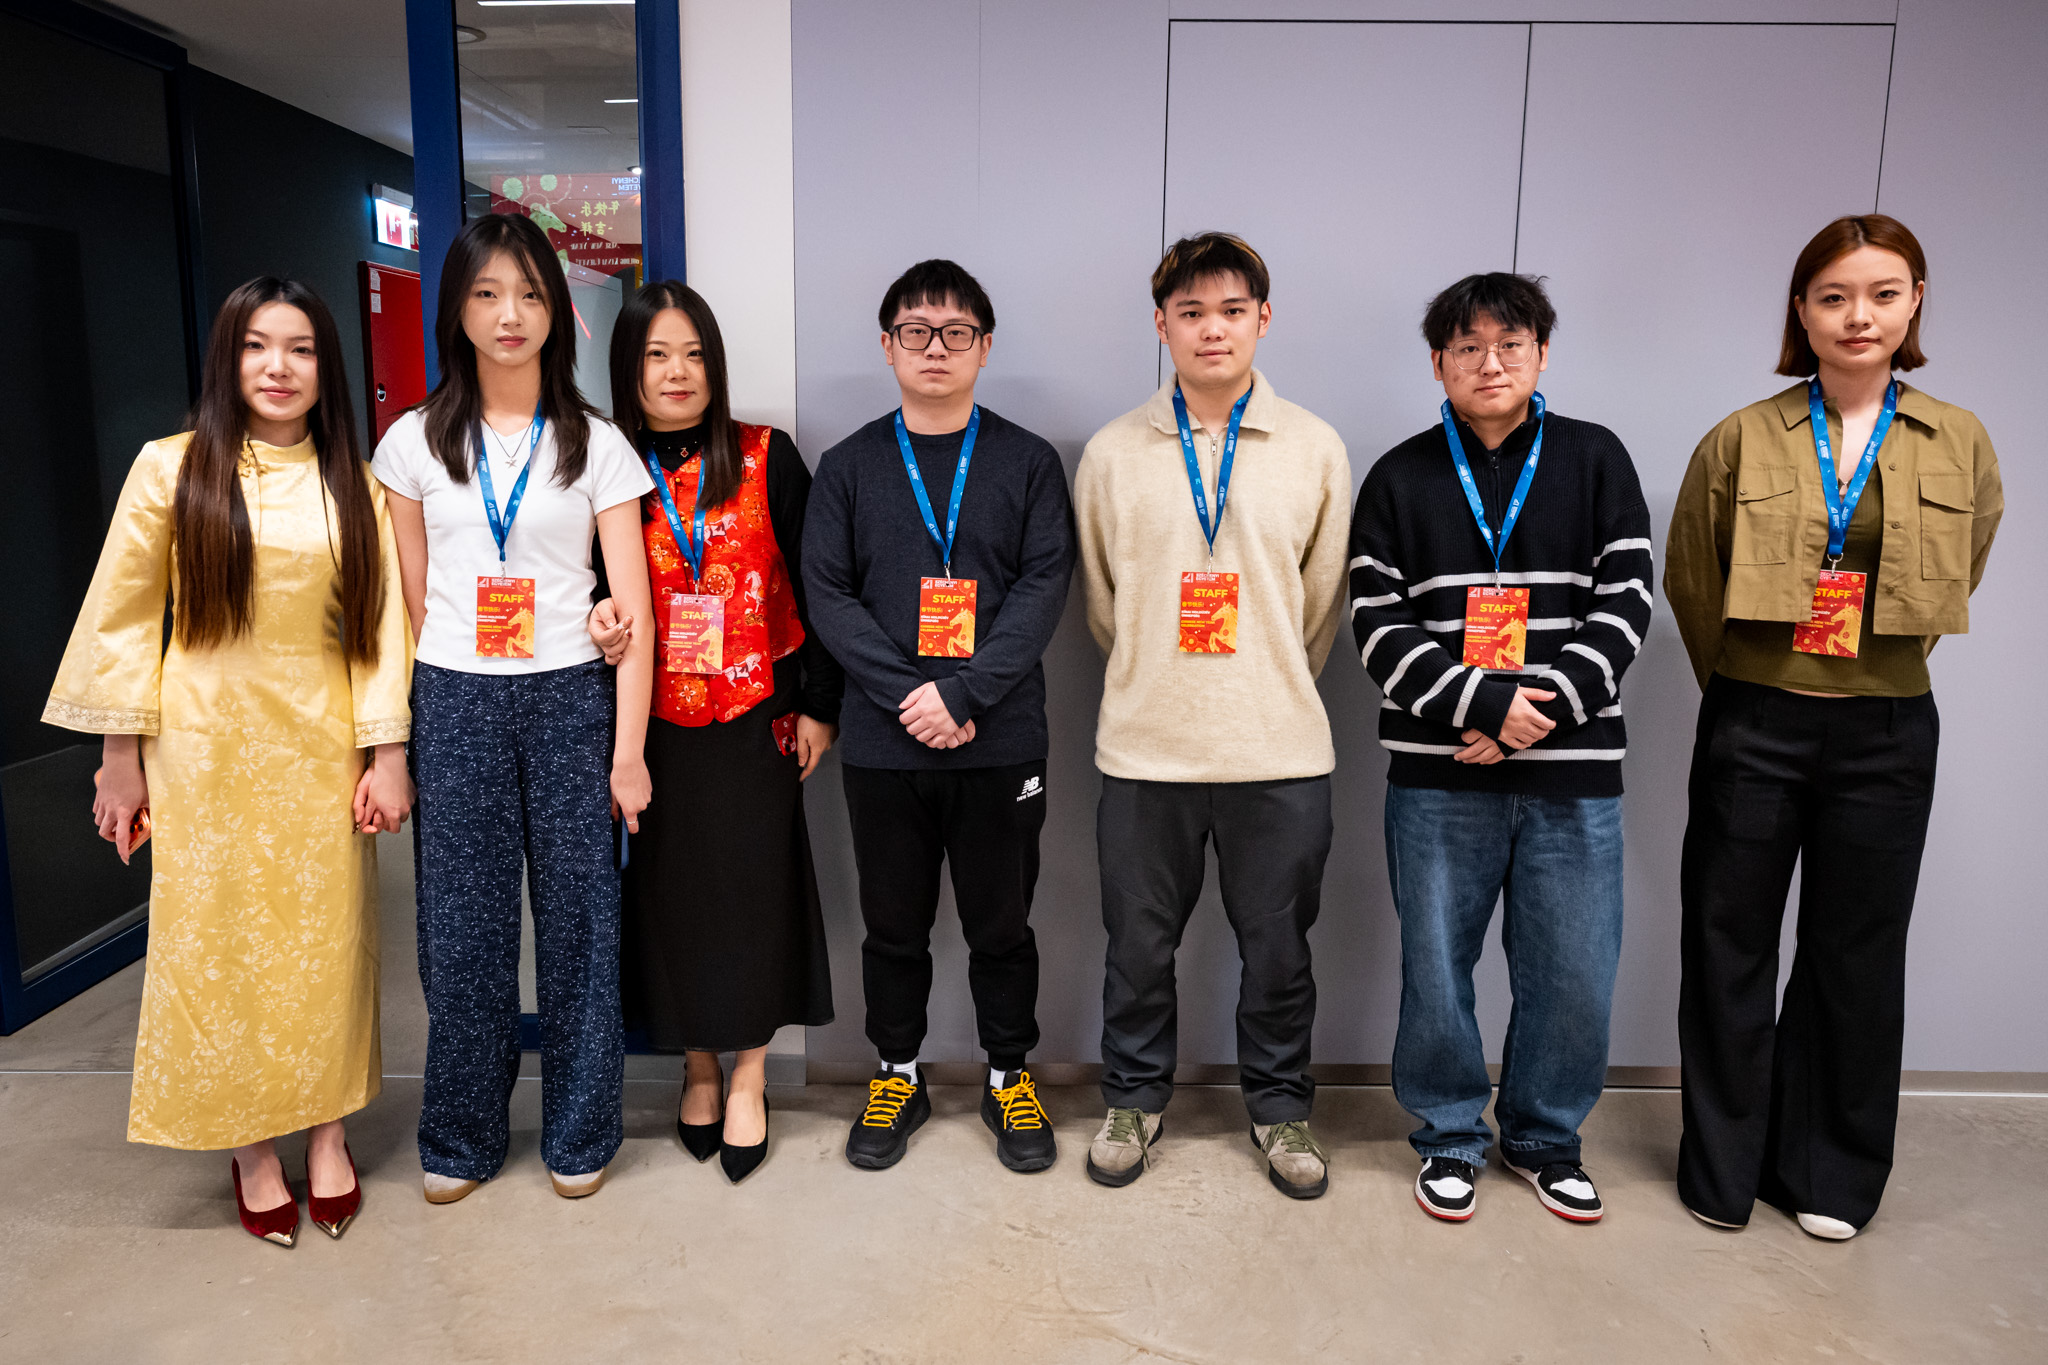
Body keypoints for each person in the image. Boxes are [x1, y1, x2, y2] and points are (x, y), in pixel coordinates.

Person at [45, 278, 413, 1247]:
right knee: (218, 954)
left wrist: (385, 752)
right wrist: (117, 760)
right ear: (228, 360)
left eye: (300, 349)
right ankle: (251, 1147)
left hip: (319, 749)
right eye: (258, 347)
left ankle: (328, 1133)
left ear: (327, 369)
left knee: (327, 948)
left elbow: (381, 630)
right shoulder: (171, 469)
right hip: (200, 750)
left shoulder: (359, 484)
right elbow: (122, 621)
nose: (279, 368)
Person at [1664, 214, 2001, 1241]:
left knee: (1855, 957)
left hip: (1885, 734)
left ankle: (1827, 1175)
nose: (1858, 316)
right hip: (1753, 723)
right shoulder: (1741, 434)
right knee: (1726, 947)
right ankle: (1721, 1170)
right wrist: (1750, 685)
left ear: (1913, 303)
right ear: (1799, 312)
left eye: (1883, 293)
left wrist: (1876, 666)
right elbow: (1690, 576)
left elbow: (1972, 547)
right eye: (1833, 297)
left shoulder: (1956, 437)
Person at [1349, 272, 1652, 1224]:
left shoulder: (1596, 458)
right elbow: (1375, 620)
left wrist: (1541, 709)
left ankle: (1543, 1137)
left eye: (1511, 345)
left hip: (1573, 773)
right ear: (1438, 361)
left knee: (1572, 966)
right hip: (1440, 772)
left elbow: (1628, 600)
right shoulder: (1400, 475)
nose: (1491, 362)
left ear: (1542, 354)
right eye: (1469, 347)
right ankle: (1447, 1134)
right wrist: (1480, 702)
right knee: (1436, 963)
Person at [373, 212, 655, 1204]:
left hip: (572, 695)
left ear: (558, 312)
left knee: (580, 926)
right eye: (488, 292)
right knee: (461, 934)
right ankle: (459, 1134)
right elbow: (408, 604)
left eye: (530, 293)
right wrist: (396, 741)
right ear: (456, 307)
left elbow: (635, 606)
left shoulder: (599, 444)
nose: (509, 314)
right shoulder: (409, 442)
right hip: (452, 697)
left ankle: (580, 1130)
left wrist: (628, 752)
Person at [1074, 232, 1351, 1199]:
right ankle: (1134, 1099)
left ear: (1263, 320)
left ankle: (1280, 1111)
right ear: (1162, 326)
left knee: (1278, 952)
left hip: (1277, 750)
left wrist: (1263, 681)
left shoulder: (1315, 447)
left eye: (1232, 310)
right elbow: (1106, 606)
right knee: (1137, 949)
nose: (1212, 328)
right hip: (1146, 752)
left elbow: (1319, 605)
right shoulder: (1112, 452)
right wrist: (1162, 678)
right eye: (1190, 312)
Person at [803, 259, 1075, 1174]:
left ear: (984, 348)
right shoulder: (848, 467)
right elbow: (827, 595)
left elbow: (1044, 589)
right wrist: (908, 695)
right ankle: (897, 1071)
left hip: (1000, 740)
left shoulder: (1029, 461)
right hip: (885, 744)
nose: (935, 347)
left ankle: (1008, 1074)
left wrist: (964, 693)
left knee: (1004, 926)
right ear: (887, 346)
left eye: (956, 332)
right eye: (915, 331)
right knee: (893, 925)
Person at [582, 282, 842, 1184]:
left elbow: (818, 590)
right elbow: (579, 588)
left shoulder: (767, 457)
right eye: (656, 355)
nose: (677, 371)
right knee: (670, 895)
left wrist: (819, 705)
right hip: (648, 726)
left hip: (755, 721)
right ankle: (695, 1062)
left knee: (756, 892)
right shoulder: (604, 469)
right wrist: (599, 624)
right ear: (630, 369)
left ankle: (749, 1075)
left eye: (692, 352)